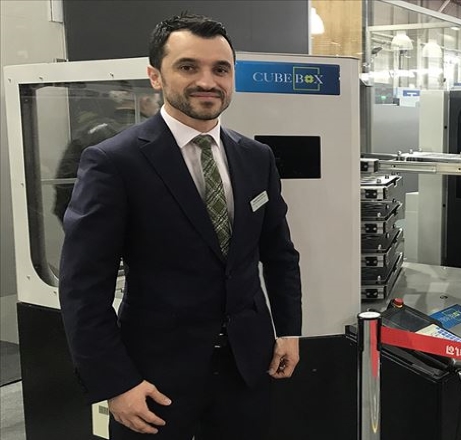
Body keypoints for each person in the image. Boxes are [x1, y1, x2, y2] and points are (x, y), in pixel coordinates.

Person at [59, 13, 302, 440]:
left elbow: (279, 252)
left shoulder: (256, 157)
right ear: (155, 76)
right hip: (153, 377)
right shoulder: (115, 162)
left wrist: (289, 330)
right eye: (188, 67)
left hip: (248, 365)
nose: (207, 81)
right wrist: (115, 382)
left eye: (221, 69)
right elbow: (83, 286)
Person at [54, 89, 161, 222]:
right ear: (145, 101)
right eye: (157, 103)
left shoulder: (87, 132)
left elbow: (64, 184)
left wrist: (79, 224)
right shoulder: (156, 135)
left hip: (93, 223)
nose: (158, 108)